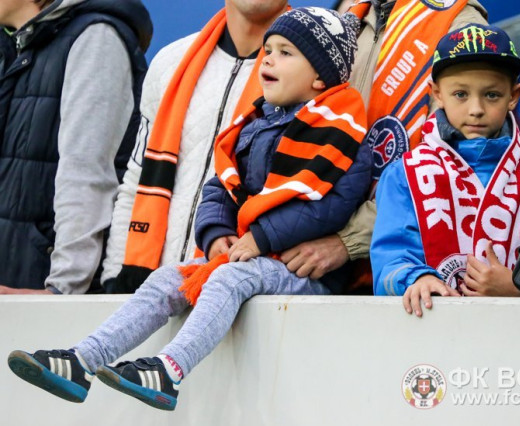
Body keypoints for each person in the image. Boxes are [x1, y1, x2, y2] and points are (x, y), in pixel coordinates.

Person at [8, 7, 371, 411]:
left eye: (286, 53)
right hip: (246, 256)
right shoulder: (255, 124)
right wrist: (216, 234)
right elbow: (221, 187)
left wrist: (261, 238)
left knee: (228, 279)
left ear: (320, 76)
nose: (268, 60)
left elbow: (331, 209)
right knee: (167, 278)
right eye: (268, 50)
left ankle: (169, 371)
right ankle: (82, 361)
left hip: (296, 270)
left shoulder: (344, 131)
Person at [280, 0, 489, 292]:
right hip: (322, 254)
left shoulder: (461, 25)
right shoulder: (351, 17)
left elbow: (458, 167)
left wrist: (347, 241)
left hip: (411, 276)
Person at [100, 0, 288, 293]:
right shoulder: (170, 61)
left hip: (236, 293)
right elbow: (137, 179)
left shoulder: (310, 70)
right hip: (148, 291)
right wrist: (115, 276)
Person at [370, 24, 520, 315]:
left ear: (514, 95)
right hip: (432, 330)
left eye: (492, 95)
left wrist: (519, 289)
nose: (476, 109)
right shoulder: (405, 174)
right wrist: (416, 279)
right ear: (437, 93)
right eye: (461, 94)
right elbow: (390, 258)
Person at [0, 0, 151, 294]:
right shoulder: (15, 46)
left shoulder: (96, 39)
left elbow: (86, 171)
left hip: (49, 293)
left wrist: (62, 289)